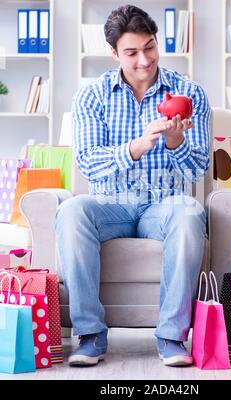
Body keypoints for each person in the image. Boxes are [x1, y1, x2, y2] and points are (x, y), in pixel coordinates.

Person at [55, 4, 211, 367]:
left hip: (166, 202)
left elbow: (199, 167)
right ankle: (91, 335)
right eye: (132, 52)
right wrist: (137, 146)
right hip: (111, 204)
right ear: (113, 53)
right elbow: (89, 161)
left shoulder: (190, 93)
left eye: (150, 47)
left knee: (190, 213)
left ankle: (172, 336)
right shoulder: (92, 96)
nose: (144, 60)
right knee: (71, 210)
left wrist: (175, 143)